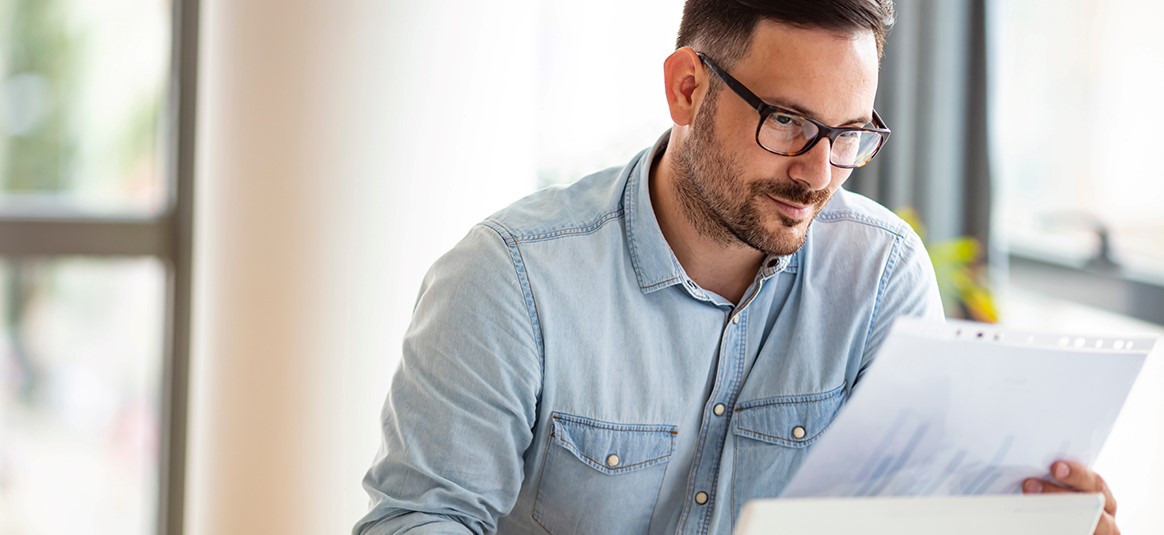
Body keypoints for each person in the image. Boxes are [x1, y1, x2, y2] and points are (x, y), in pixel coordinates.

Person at [355, 1, 1121, 534]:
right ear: (687, 89)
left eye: (849, 133)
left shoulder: (881, 277)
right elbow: (417, 519)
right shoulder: (511, 281)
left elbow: (910, 511)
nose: (819, 173)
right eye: (787, 121)